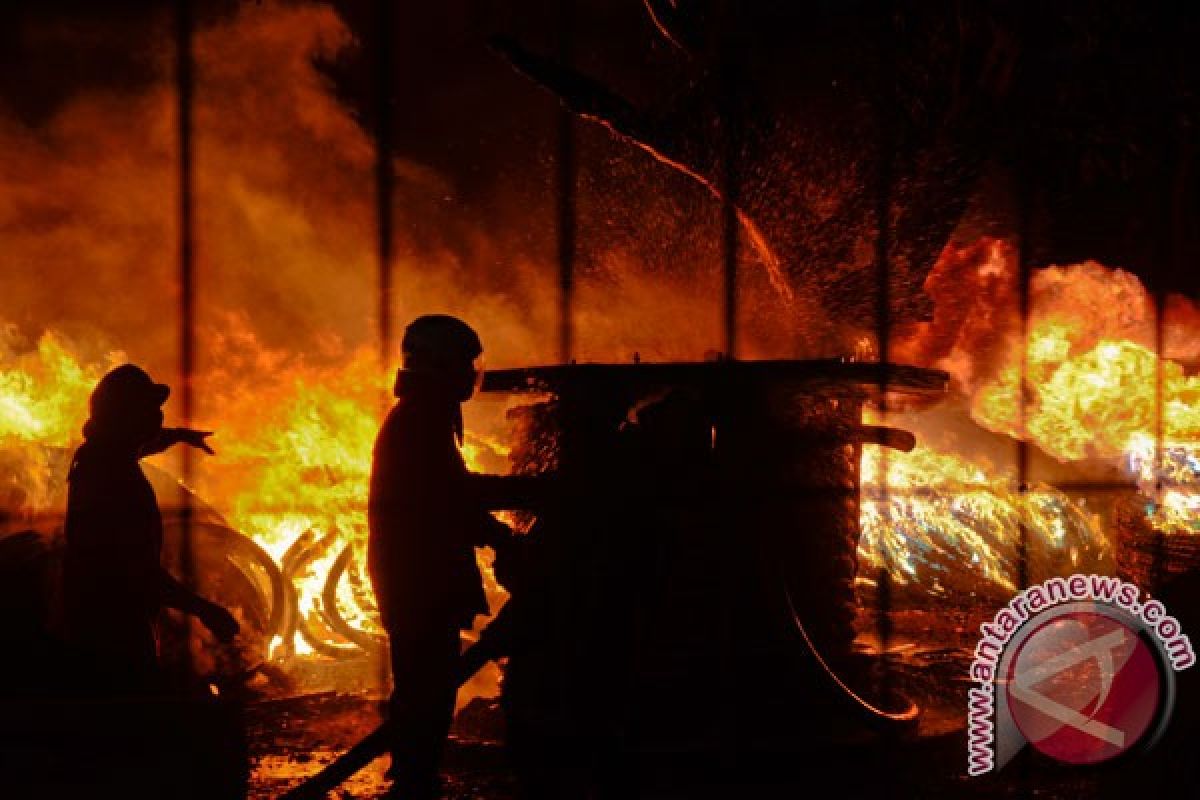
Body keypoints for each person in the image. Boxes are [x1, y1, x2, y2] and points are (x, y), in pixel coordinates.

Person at [368, 315, 514, 800]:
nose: (468, 373)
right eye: (462, 362)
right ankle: (414, 781)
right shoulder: (419, 420)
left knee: (424, 685)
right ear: (438, 364)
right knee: (425, 687)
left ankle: (414, 776)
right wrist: (506, 531)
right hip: (419, 580)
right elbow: (450, 498)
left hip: (418, 576)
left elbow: (451, 495)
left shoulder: (421, 416)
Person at [62, 364, 239, 693]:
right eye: (150, 409)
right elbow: (137, 573)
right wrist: (204, 610)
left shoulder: (104, 453)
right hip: (110, 627)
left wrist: (179, 436)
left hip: (105, 618)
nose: (157, 416)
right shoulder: (113, 477)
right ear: (126, 416)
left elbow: (143, 443)